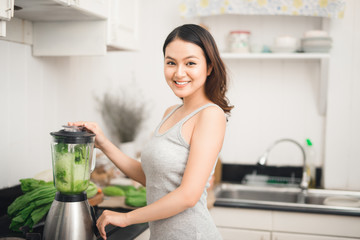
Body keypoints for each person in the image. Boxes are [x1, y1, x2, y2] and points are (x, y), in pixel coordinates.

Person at [69, 23, 233, 240]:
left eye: (190, 63)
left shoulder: (211, 115)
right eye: (171, 62)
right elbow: (152, 178)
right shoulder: (171, 112)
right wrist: (104, 143)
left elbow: (188, 196)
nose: (179, 72)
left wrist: (126, 218)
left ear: (209, 67)